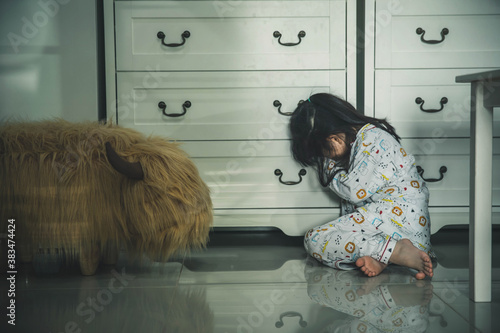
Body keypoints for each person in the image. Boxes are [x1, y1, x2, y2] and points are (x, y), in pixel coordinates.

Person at [289, 93, 434, 279]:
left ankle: (397, 251)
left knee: (314, 239)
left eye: (322, 152)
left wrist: (327, 165)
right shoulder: (363, 140)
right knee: (327, 238)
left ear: (333, 138)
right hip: (391, 227)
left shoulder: (373, 139)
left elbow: (354, 192)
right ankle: (385, 256)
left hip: (401, 221)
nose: (325, 157)